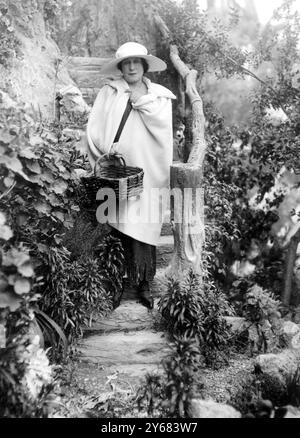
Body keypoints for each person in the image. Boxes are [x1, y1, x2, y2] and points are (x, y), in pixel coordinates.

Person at [86, 42, 176, 309]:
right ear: (121, 67)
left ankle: (143, 284)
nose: (132, 67)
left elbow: (164, 135)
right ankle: (115, 284)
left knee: (143, 224)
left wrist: (141, 104)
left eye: (137, 61)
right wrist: (106, 147)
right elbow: (96, 126)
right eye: (127, 63)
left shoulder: (159, 98)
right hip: (117, 171)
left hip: (148, 172)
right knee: (116, 223)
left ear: (145, 65)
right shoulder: (110, 93)